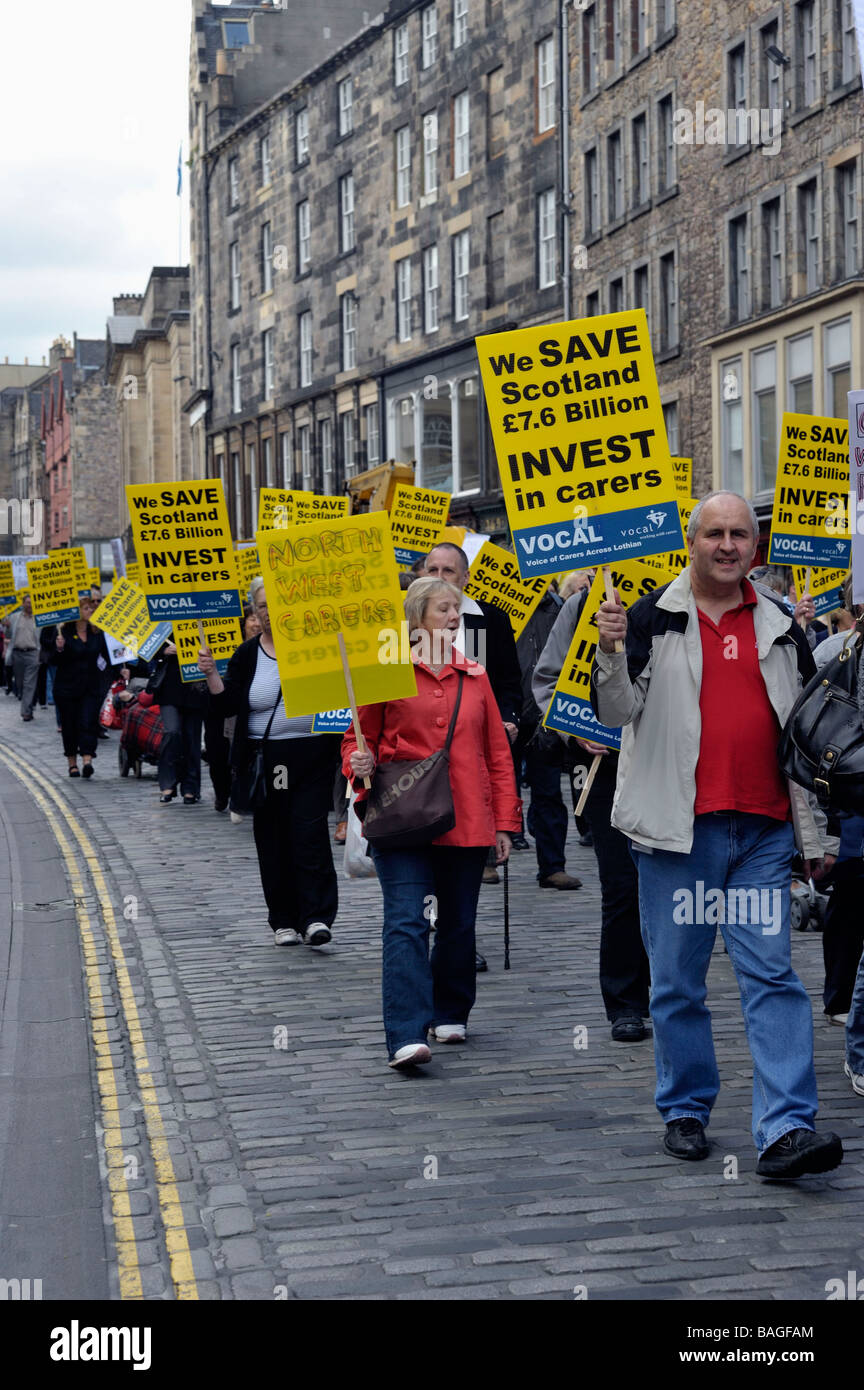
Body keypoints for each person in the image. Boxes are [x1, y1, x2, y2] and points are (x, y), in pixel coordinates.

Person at [592, 490, 843, 1179]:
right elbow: (616, 712)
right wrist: (610, 650)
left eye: (740, 534)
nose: (728, 545)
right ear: (691, 543)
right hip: (678, 835)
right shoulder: (649, 618)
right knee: (677, 982)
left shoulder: (782, 627)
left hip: (763, 831)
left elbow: (807, 731)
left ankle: (787, 1127)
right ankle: (685, 1106)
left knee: (772, 975)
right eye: (715, 534)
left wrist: (814, 835)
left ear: (753, 549)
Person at [342, 577, 521, 1069]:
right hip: (402, 821)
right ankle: (405, 1032)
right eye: (444, 609)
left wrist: (505, 823)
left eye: (456, 610)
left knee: (459, 923)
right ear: (417, 617)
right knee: (407, 921)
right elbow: (358, 739)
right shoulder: (387, 669)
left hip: (465, 820)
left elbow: (496, 756)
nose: (453, 617)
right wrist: (358, 762)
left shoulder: (475, 675)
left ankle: (450, 1009)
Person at [533, 589, 651, 1042]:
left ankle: (670, 992)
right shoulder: (582, 605)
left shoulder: (681, 597)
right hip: (606, 766)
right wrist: (576, 728)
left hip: (670, 760)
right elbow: (549, 679)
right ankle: (626, 1001)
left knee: (671, 888)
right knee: (622, 883)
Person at [198, 576, 340, 947]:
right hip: (271, 761)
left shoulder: (318, 645)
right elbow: (227, 705)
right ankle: (284, 920)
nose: (269, 612)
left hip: (312, 755)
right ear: (255, 613)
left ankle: (317, 917)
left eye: (276, 603)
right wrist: (212, 674)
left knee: (309, 833)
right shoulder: (247, 654)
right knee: (275, 833)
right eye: (262, 606)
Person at [422, 543, 522, 920]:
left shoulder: (486, 620)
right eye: (432, 569)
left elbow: (508, 681)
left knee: (461, 855)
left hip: (472, 755)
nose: (439, 578)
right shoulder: (402, 624)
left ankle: (456, 932)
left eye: (448, 571)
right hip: (421, 762)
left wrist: (508, 717)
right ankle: (429, 919)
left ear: (464, 579)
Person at [812, 577, 864, 1025]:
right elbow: (806, 727)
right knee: (850, 899)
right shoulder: (834, 652)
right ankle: (841, 996)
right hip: (850, 798)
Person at [516, 588, 583, 890]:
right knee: (490, 790)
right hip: (507, 714)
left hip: (545, 717)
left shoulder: (558, 608)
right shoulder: (494, 610)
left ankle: (553, 866)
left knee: (548, 794)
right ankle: (489, 858)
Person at [50, 595, 110, 777]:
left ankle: (87, 759)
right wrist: (59, 648)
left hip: (91, 687)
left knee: (88, 721)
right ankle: (72, 763)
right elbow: (53, 661)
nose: (90, 611)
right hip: (67, 688)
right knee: (69, 725)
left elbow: (107, 656)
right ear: (77, 612)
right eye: (86, 609)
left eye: (91, 609)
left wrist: (122, 669)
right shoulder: (63, 633)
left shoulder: (97, 632)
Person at [149, 640, 208, 805]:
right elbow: (145, 646)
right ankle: (167, 783)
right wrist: (164, 651)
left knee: (192, 737)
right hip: (170, 686)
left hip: (196, 686)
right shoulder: (163, 621)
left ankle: (190, 787)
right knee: (172, 732)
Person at [7, 592, 40, 721]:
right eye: (28, 602)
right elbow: (9, 634)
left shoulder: (39, 618)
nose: (30, 605)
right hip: (17, 653)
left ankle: (25, 712)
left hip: (33, 653)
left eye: (32, 603)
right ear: (23, 604)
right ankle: (29, 705)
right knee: (20, 683)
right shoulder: (14, 617)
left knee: (29, 684)